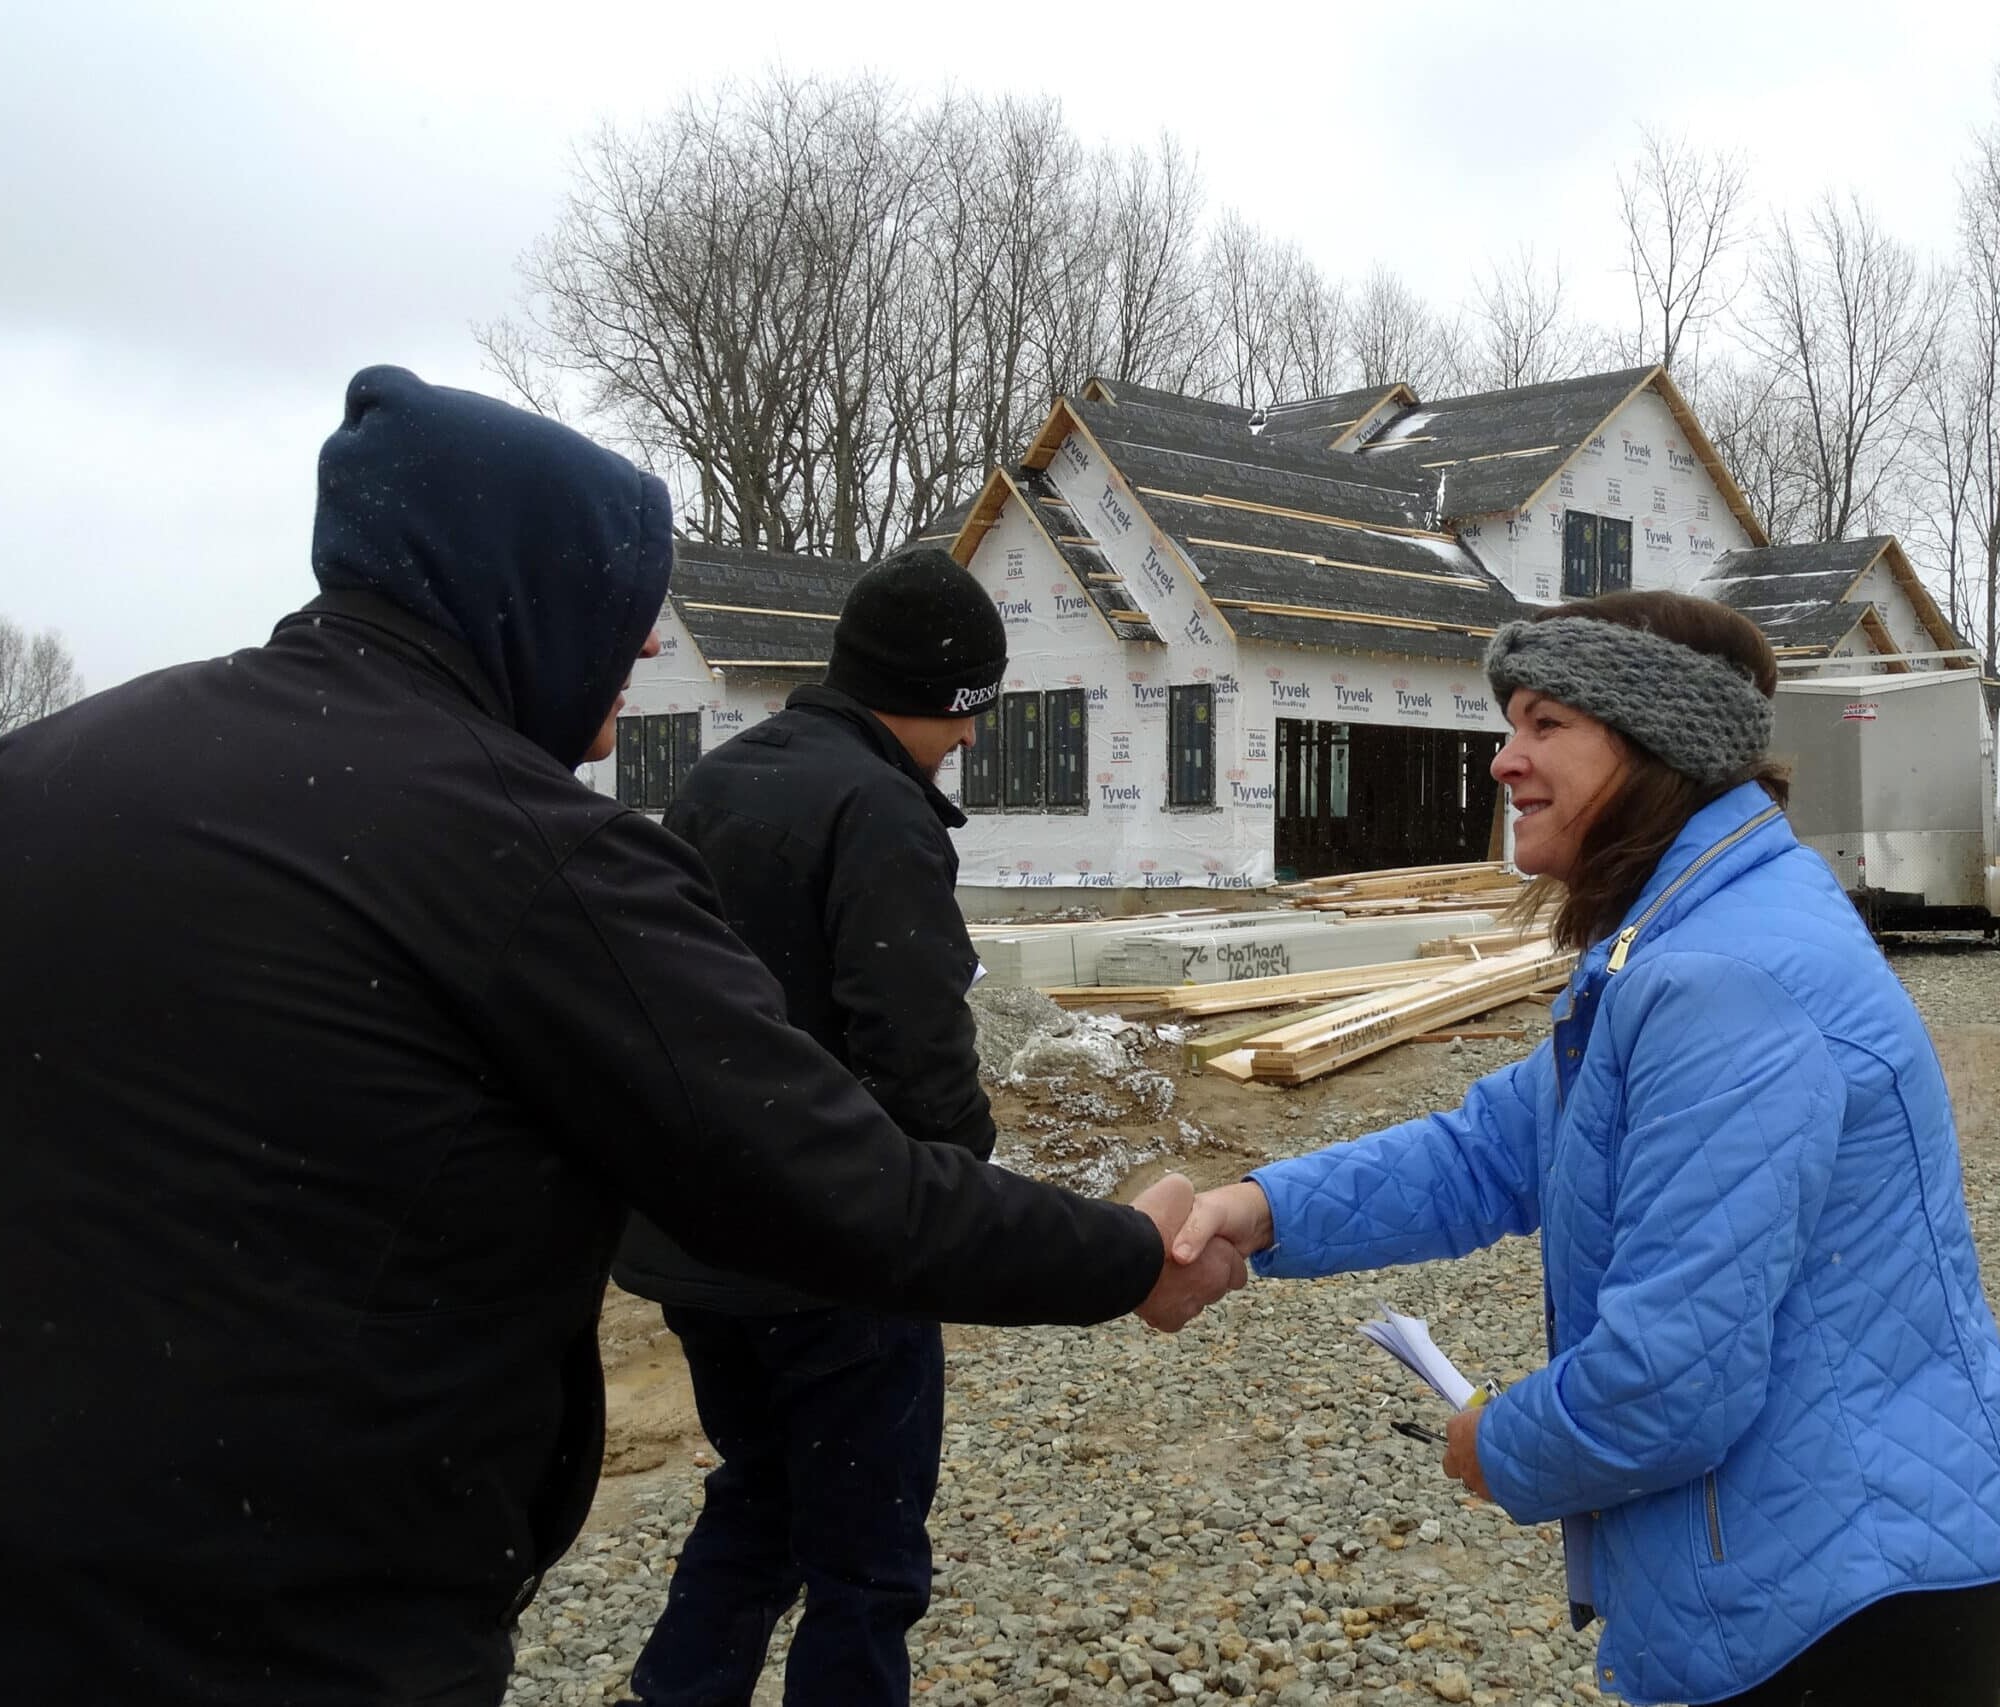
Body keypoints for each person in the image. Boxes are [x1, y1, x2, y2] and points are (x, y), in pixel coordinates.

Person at [0, 366, 1242, 1707]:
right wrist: (1120, 1250)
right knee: (859, 1554)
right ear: (516, 591)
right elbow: (830, 1164)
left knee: (755, 1501)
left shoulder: (57, 768)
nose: (649, 649)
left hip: (54, 1570)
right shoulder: (519, 851)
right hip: (302, 1611)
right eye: (623, 603)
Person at [1170, 590, 2000, 1707]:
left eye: (1545, 722)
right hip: (1817, 1567)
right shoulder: (1679, 937)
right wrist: (1259, 1210)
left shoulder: (1722, 979)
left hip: (1835, 1612)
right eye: (1510, 722)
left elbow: (1667, 1385)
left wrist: (1495, 1444)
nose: (1504, 760)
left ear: (1657, 744)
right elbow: (1492, 1149)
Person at [613, 546, 1013, 1706]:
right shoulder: (880, 812)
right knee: (868, 1561)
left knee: (760, 1497)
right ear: (935, 698)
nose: (971, 742)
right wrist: (959, 1202)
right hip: (833, 1251)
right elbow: (916, 1047)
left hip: (698, 1238)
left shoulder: (718, 781)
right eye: (967, 716)